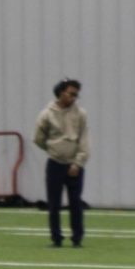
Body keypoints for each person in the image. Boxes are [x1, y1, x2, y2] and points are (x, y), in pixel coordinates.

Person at [33, 78, 89, 247]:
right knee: (54, 203)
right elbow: (38, 137)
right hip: (55, 164)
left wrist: (78, 163)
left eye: (76, 95)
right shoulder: (46, 114)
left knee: (75, 203)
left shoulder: (80, 114)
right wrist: (53, 149)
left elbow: (84, 140)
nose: (74, 98)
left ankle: (77, 238)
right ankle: (56, 238)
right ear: (61, 92)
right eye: (71, 93)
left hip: (74, 166)